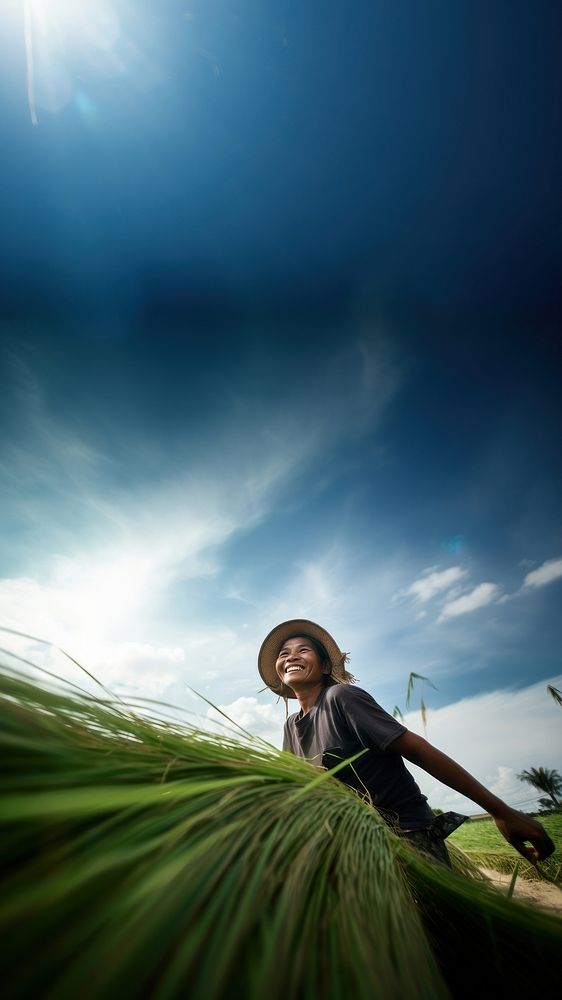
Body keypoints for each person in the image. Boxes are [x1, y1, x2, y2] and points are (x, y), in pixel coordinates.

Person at [258, 618, 555, 865]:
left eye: (303, 650)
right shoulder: (290, 727)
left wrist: (500, 811)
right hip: (354, 846)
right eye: (284, 653)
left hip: (407, 838)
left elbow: (419, 751)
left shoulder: (341, 698)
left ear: (324, 667)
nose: (291, 657)